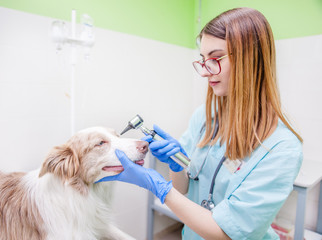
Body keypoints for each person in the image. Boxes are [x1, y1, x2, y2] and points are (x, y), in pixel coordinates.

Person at [97, 7, 303, 240]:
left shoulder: (282, 148)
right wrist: (177, 165)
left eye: (215, 59)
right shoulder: (205, 118)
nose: (205, 72)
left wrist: (159, 188)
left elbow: (226, 232)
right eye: (203, 61)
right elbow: (183, 189)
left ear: (250, 58)